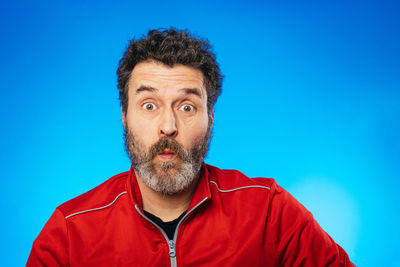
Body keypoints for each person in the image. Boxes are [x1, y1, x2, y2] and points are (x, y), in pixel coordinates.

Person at [27, 28, 354, 266]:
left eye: (186, 107)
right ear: (124, 116)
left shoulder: (269, 211)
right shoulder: (70, 232)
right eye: (149, 105)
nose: (168, 126)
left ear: (210, 118)